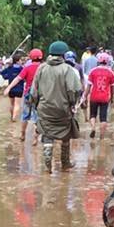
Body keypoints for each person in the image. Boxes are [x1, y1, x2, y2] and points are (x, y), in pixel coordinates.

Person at [30, 40, 83, 173]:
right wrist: (72, 103)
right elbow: (74, 90)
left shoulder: (41, 68)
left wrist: (36, 105)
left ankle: (47, 165)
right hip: (62, 109)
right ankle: (65, 163)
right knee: (66, 134)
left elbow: (33, 91)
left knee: (47, 135)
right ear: (63, 55)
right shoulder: (67, 69)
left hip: (45, 109)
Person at [4, 48, 43, 140]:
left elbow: (17, 79)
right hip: (40, 96)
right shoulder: (43, 68)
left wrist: (8, 88)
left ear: (31, 57)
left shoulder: (27, 68)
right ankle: (35, 137)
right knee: (36, 116)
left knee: (25, 115)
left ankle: (22, 134)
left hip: (28, 94)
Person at [85, 52, 114, 139]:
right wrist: (112, 98)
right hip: (105, 97)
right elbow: (112, 87)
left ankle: (93, 128)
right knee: (103, 118)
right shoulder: (111, 73)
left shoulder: (93, 71)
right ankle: (102, 137)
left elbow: (88, 86)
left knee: (92, 115)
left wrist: (84, 96)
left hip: (93, 96)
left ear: (98, 61)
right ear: (107, 61)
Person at [0, 53, 25, 121]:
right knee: (17, 104)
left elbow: (2, 72)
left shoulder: (10, 68)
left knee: (12, 104)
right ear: (17, 61)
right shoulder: (22, 69)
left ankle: (11, 117)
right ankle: (14, 117)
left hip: (10, 89)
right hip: (19, 89)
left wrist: (7, 77)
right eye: (21, 60)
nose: (22, 61)